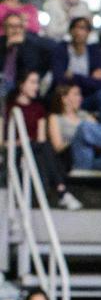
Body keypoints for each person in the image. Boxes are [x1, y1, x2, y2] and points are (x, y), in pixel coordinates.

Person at [48, 83, 101, 207]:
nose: (80, 98)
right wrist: (78, 138)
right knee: (84, 128)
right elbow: (57, 147)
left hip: (95, 158)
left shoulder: (84, 115)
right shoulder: (56, 118)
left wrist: (92, 139)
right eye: (76, 94)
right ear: (64, 98)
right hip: (76, 157)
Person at [6, 70, 84, 210]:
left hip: (35, 149)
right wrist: (18, 143)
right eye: (33, 82)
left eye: (37, 83)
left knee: (43, 148)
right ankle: (62, 192)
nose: (36, 87)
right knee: (43, 149)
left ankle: (54, 193)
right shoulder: (8, 108)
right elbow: (1, 141)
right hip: (15, 148)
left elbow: (41, 138)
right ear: (21, 85)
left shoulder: (39, 108)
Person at [51, 16, 101, 127]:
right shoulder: (61, 49)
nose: (79, 32)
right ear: (70, 31)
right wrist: (89, 80)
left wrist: (73, 76)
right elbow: (58, 78)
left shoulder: (94, 51)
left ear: (88, 32)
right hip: (65, 98)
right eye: (77, 28)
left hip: (86, 98)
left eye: (83, 28)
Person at [1, 13, 51, 95]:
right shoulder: (2, 43)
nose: (16, 30)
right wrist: (6, 48)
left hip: (21, 88)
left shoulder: (31, 45)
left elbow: (31, 69)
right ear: (4, 28)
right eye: (11, 26)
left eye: (19, 26)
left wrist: (22, 47)